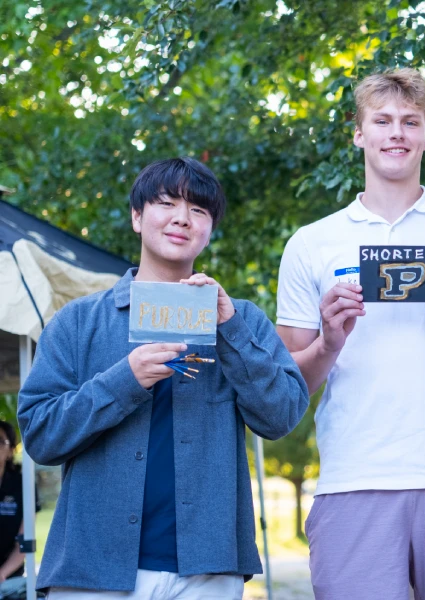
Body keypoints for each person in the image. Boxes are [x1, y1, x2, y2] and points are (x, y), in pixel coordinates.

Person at [276, 68, 425, 599]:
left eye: (411, 122)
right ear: (358, 133)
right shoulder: (311, 243)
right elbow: (283, 384)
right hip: (352, 481)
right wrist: (328, 342)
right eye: (382, 120)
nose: (397, 133)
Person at [17, 157, 309, 598]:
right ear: (137, 217)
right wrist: (124, 380)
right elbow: (40, 436)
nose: (181, 219)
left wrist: (228, 330)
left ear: (210, 228)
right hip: (91, 569)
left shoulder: (242, 319)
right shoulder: (78, 322)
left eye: (198, 210)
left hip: (208, 570)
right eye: (167, 203)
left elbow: (281, 415)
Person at [0, 420, 38, 599]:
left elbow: (24, 543)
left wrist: (2, 573)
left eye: (0, 441)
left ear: (10, 451)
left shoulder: (23, 485)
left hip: (9, 579)